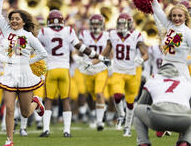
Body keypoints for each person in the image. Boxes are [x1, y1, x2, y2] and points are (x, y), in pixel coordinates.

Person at [37, 10, 110, 138]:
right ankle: (67, 131)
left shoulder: (44, 32)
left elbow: (35, 46)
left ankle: (46, 129)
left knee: (48, 99)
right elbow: (82, 48)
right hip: (64, 70)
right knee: (66, 100)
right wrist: (99, 57)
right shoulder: (68, 31)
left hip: (51, 69)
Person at [0, 0, 47, 146]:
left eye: (17, 18)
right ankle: (9, 140)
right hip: (9, 74)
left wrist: (27, 62)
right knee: (9, 108)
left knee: (25, 113)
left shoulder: (29, 37)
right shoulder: (6, 31)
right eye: (12, 18)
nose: (14, 21)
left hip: (24, 75)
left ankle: (36, 103)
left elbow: (43, 54)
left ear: (23, 21)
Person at [100, 13, 149, 137]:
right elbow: (106, 51)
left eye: (123, 23)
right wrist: (95, 61)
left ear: (129, 24)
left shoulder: (136, 36)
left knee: (130, 102)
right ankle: (121, 114)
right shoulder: (112, 35)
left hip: (131, 72)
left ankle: (127, 127)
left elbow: (146, 54)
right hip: (118, 71)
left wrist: (142, 60)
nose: (121, 26)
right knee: (117, 96)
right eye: (119, 23)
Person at [131, 63, 191, 146]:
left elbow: (142, 103)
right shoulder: (186, 82)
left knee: (138, 109)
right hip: (183, 121)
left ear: (160, 71)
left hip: (159, 118)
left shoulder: (153, 79)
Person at [78, 13, 110, 131]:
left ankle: (99, 121)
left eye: (98, 23)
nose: (96, 26)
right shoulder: (84, 34)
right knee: (90, 96)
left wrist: (110, 64)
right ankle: (92, 114)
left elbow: (109, 51)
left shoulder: (107, 35)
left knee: (99, 93)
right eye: (94, 23)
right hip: (88, 69)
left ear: (102, 24)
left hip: (101, 69)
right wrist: (77, 57)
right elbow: (79, 48)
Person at [151, 0, 191, 80]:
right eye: (174, 15)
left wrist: (184, 63)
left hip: (180, 70)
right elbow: (158, 10)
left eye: (180, 16)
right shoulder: (169, 25)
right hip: (165, 67)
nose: (176, 18)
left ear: (185, 17)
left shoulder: (188, 33)